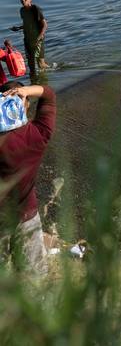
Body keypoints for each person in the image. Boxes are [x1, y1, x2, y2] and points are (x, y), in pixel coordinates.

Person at [0, 82, 56, 274]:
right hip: (27, 215)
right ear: (25, 105)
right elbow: (49, 95)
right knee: (35, 273)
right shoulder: (38, 135)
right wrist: (26, 91)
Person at [10, 0, 47, 81]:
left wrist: (39, 37)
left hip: (37, 39)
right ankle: (33, 79)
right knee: (30, 61)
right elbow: (27, 24)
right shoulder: (22, 10)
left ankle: (44, 79)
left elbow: (45, 24)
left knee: (40, 63)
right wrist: (18, 28)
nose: (22, 0)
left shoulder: (35, 9)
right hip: (27, 39)